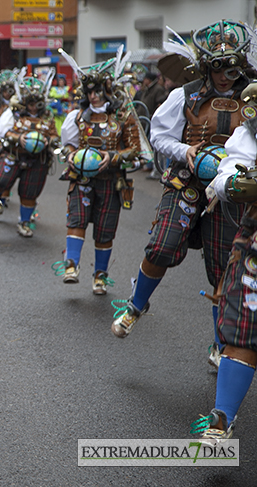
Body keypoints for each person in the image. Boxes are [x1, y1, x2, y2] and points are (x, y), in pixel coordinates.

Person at [110, 21, 252, 371]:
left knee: (223, 267)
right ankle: (136, 305)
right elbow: (158, 135)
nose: (224, 75)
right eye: (217, 67)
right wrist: (184, 150)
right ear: (206, 64)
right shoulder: (185, 94)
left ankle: (221, 343)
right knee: (162, 244)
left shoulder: (253, 97)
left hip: (232, 189)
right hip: (186, 181)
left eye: (231, 66)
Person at [192, 82, 257, 440]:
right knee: (245, 328)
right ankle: (222, 418)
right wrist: (240, 182)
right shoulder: (249, 134)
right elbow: (223, 179)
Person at [56, 49, 141, 295]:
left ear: (108, 91)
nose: (93, 97)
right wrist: (71, 154)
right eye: (89, 92)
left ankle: (100, 276)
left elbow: (134, 149)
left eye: (98, 92)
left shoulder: (124, 116)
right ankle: (71, 265)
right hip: (81, 178)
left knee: (105, 230)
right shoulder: (77, 117)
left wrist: (112, 157)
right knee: (77, 220)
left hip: (112, 180)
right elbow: (68, 144)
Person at [0, 73, 58, 237]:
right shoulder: (14, 114)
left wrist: (47, 140)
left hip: (38, 159)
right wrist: (19, 137)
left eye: (36, 104)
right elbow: (5, 131)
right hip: (14, 154)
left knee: (30, 192)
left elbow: (55, 135)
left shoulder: (47, 117)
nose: (33, 108)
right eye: (30, 104)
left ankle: (24, 222)